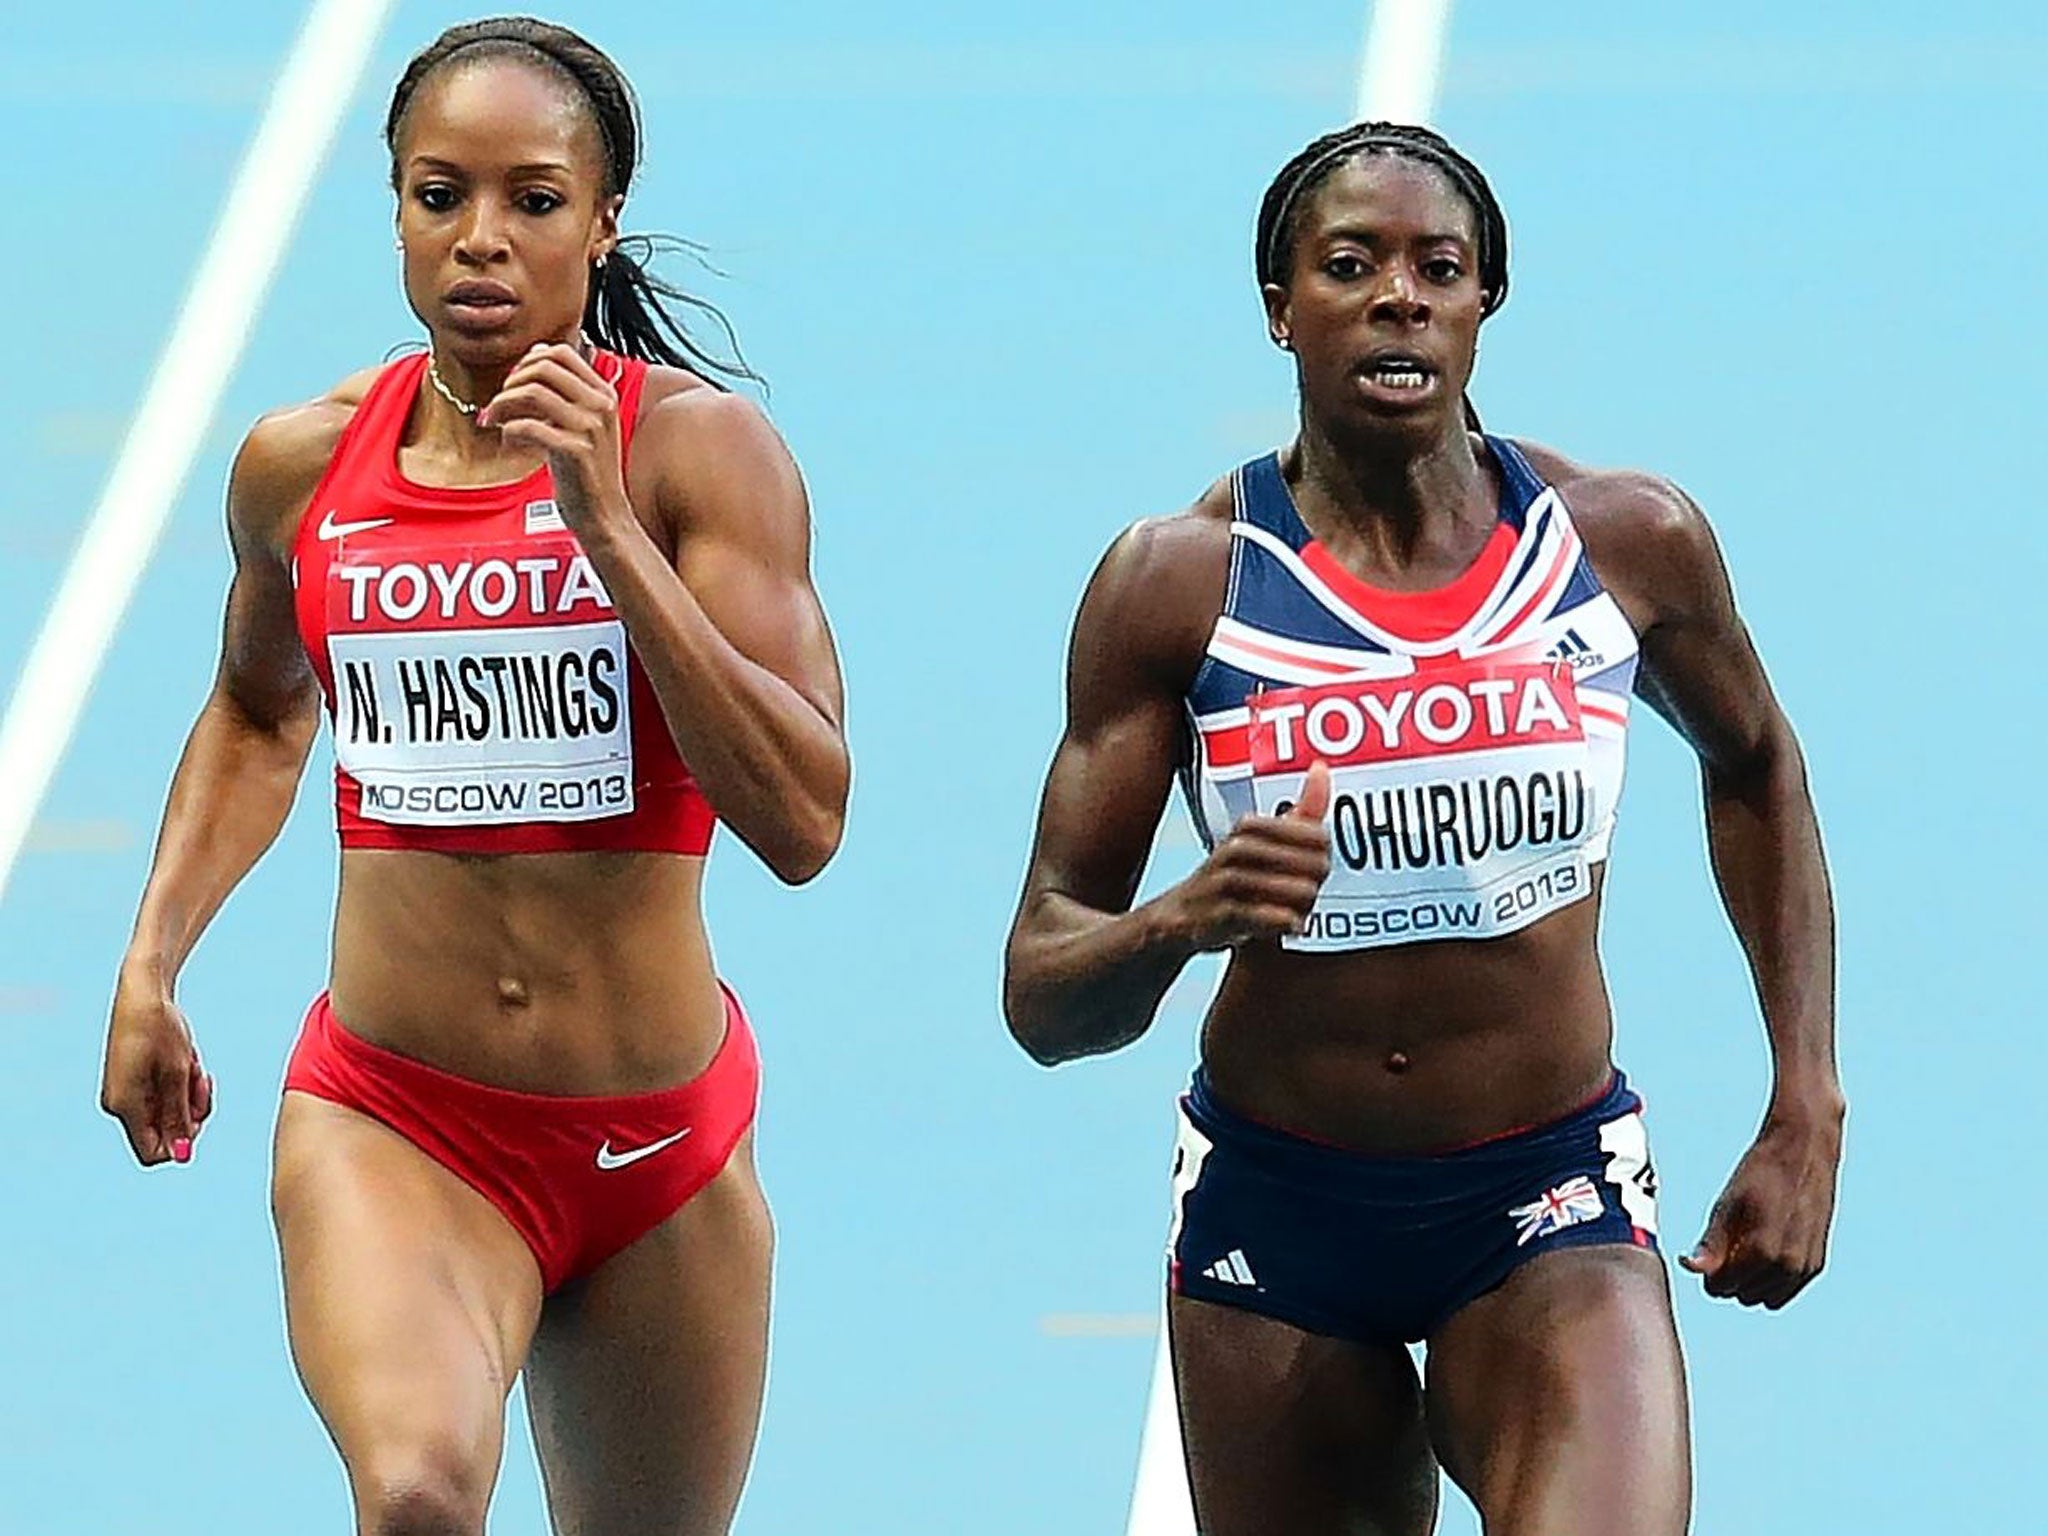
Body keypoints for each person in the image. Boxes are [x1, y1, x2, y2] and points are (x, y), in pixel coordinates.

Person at [1003, 122, 1843, 1535]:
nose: (1398, 296)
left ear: (1481, 303)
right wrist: (1184, 918)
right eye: (1349, 266)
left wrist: (1805, 1101)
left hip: (1547, 1196)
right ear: (1281, 309)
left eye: (1435, 268)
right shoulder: (1180, 586)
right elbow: (1044, 995)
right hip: (1279, 1218)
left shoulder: (1622, 545)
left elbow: (1756, 765)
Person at [99, 18, 848, 1536]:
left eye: (534, 200)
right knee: (422, 1497)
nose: (481, 242)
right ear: (392, 208)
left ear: (603, 220)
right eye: (440, 197)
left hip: (655, 1145)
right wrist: (152, 958)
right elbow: (256, 716)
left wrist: (610, 533)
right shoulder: (302, 466)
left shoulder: (699, 460)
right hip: (397, 1120)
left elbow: (804, 818)